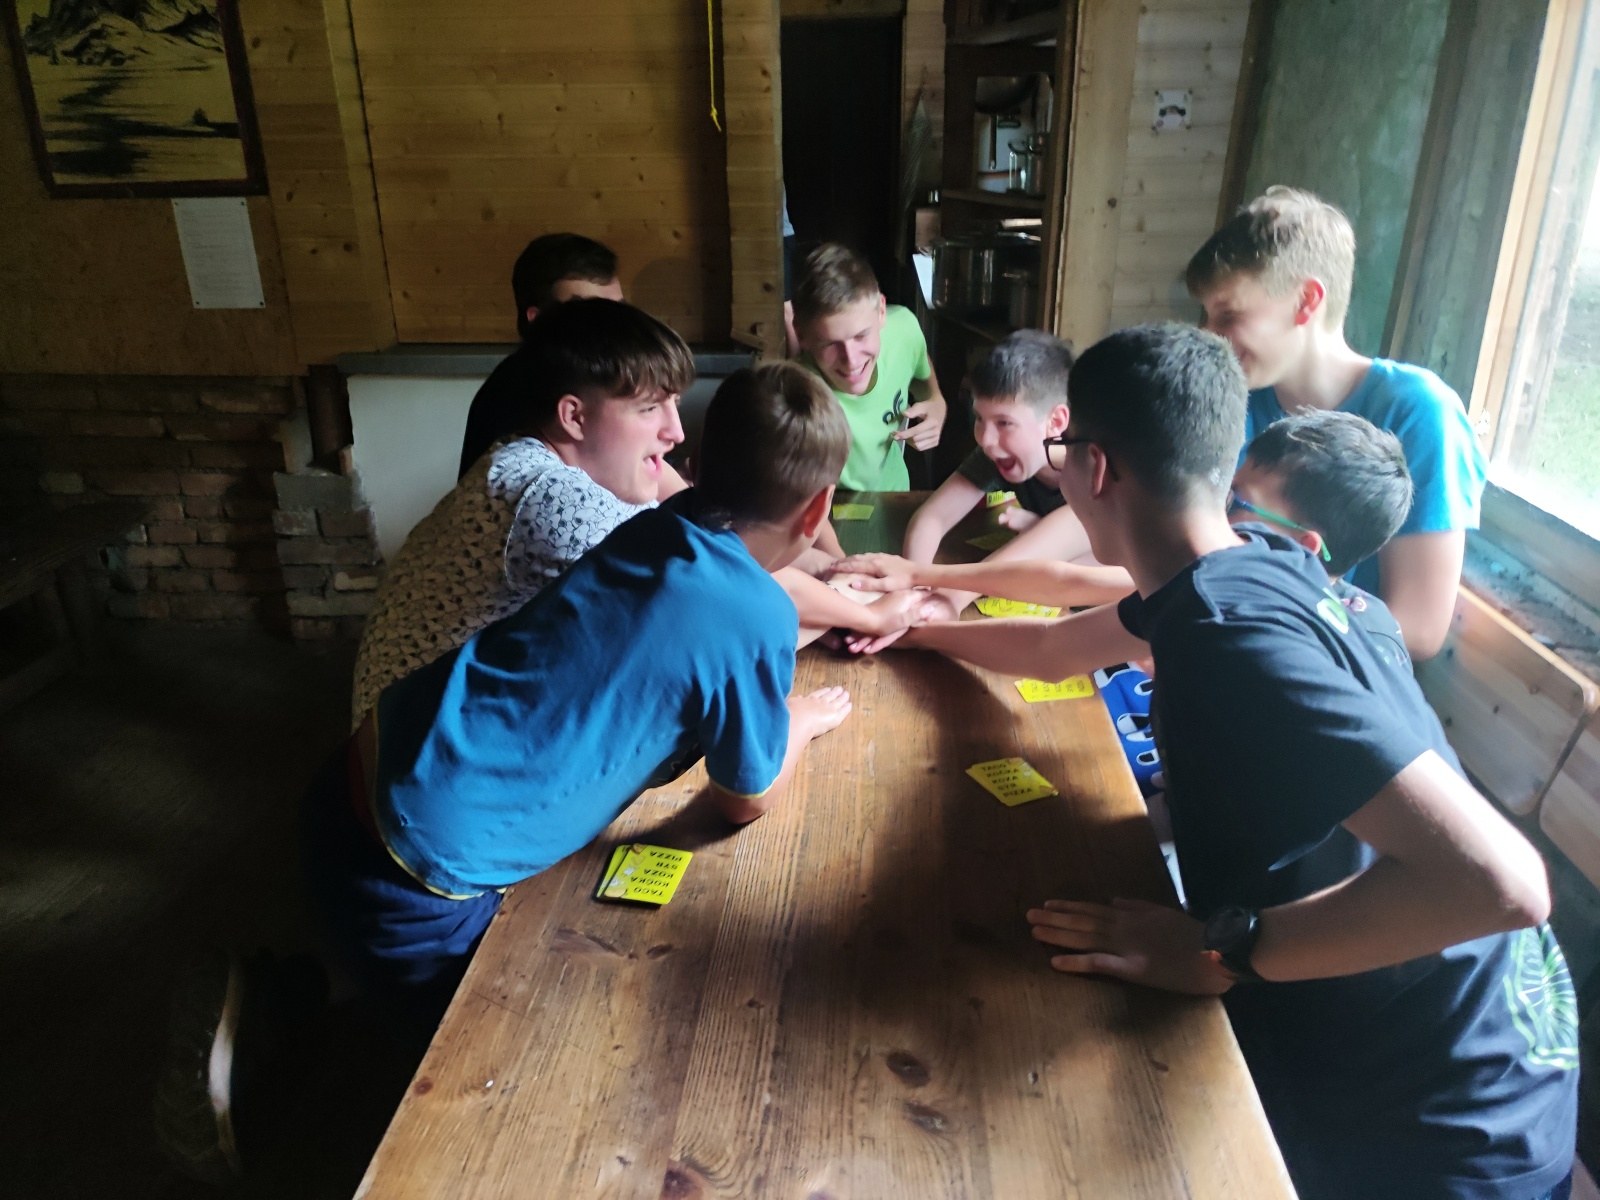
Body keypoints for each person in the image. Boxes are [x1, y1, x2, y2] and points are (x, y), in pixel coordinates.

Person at [906, 324, 1577, 1200]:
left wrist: (1224, 952)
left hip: (1445, 1124)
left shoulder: (1230, 631)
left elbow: (1504, 885)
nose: (1056, 471)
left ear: (1095, 468)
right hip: (1453, 1043)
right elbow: (1048, 649)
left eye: (1063, 453)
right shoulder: (1237, 570)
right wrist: (906, 628)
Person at [352, 298, 692, 729]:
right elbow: (701, 595)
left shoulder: (542, 455)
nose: (676, 431)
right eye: (650, 408)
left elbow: (694, 528)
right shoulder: (547, 496)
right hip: (415, 749)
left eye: (674, 402)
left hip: (436, 727)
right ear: (574, 417)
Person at [1187, 186, 1487, 660]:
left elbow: (1418, 629)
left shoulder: (1421, 412)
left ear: (1306, 301)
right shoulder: (1239, 394)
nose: (1210, 337)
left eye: (1228, 315)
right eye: (1207, 317)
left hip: (1327, 672)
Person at [458, 233, 624, 477]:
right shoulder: (515, 397)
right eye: (591, 315)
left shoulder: (601, 375)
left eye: (620, 311)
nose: (616, 327)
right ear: (539, 320)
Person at [791, 243, 948, 491]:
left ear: (882, 311)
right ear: (801, 335)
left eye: (861, 336)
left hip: (895, 495)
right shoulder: (794, 395)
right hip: (830, 506)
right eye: (831, 344)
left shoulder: (904, 328)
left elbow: (917, 362)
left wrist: (936, 400)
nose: (852, 360)